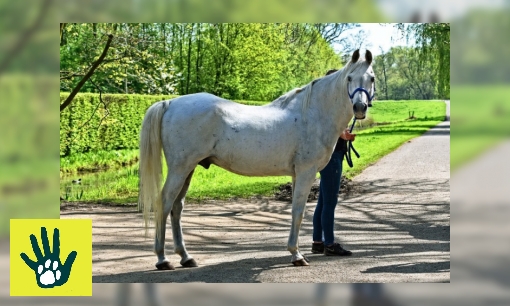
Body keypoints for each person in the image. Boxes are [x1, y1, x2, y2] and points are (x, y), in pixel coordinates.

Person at [311, 69, 355, 256]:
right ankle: (329, 243)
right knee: (330, 201)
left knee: (322, 201)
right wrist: (342, 134)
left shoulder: (321, 104)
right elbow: (330, 128)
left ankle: (317, 241)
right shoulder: (330, 106)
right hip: (332, 155)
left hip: (325, 154)